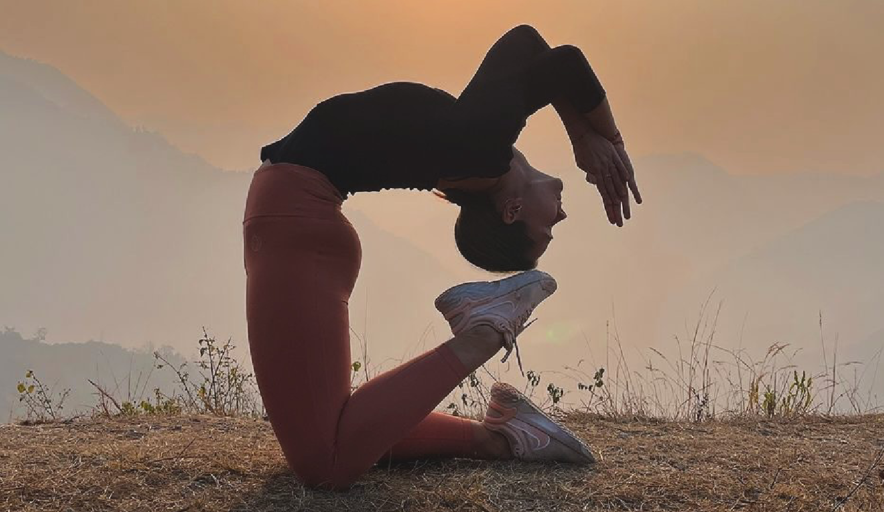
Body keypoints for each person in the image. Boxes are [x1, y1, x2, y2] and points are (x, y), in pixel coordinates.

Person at [243, 24, 642, 490]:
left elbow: (560, 66)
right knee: (334, 433)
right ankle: (506, 437)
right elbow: (529, 46)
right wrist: (592, 138)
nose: (563, 215)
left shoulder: (479, 150)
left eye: (550, 226)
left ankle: (482, 334)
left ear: (511, 211)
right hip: (295, 218)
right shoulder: (480, 148)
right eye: (553, 225)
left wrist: (598, 139)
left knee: (323, 464)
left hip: (294, 220)